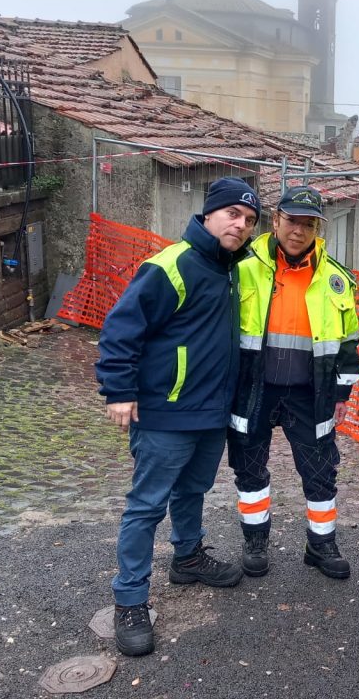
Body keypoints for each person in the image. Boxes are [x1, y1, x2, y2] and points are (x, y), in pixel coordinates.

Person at [96, 176, 260, 658]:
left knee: (193, 490)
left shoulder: (230, 268)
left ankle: (187, 556)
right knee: (146, 505)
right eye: (232, 214)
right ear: (208, 214)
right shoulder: (171, 265)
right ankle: (130, 599)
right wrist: (119, 390)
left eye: (249, 221)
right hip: (166, 411)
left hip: (210, 412)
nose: (240, 225)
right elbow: (121, 329)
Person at [227, 185, 359, 580]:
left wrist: (342, 392)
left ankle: (320, 546)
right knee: (249, 468)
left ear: (318, 229)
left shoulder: (336, 279)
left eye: (308, 224)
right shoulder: (241, 265)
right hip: (254, 389)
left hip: (310, 393)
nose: (298, 231)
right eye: (292, 221)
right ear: (276, 221)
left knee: (320, 471)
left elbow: (349, 340)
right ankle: (255, 542)